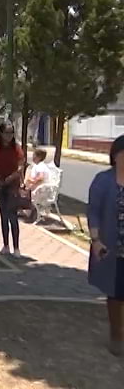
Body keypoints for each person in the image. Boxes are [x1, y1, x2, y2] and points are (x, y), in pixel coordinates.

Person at [87, 135, 124, 357]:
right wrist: (95, 240)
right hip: (113, 247)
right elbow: (93, 212)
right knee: (116, 292)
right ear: (116, 156)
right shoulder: (103, 180)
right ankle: (116, 335)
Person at [0, 122, 25, 257]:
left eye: (11, 133)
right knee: (3, 215)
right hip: (0, 184)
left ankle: (16, 247)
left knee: (12, 216)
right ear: (1, 133)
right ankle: (6, 245)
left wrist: (12, 177)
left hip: (12, 185)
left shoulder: (16, 148)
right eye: (6, 133)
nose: (9, 136)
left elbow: (21, 166)